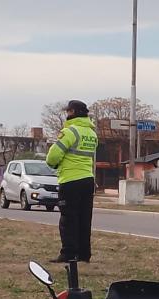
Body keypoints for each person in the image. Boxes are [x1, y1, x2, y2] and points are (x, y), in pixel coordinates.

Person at [45, 100, 97, 263]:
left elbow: (53, 156)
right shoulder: (92, 134)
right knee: (84, 218)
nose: (66, 114)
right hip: (88, 180)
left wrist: (53, 164)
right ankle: (84, 254)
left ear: (72, 112)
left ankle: (68, 253)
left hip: (70, 180)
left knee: (68, 218)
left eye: (67, 111)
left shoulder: (70, 132)